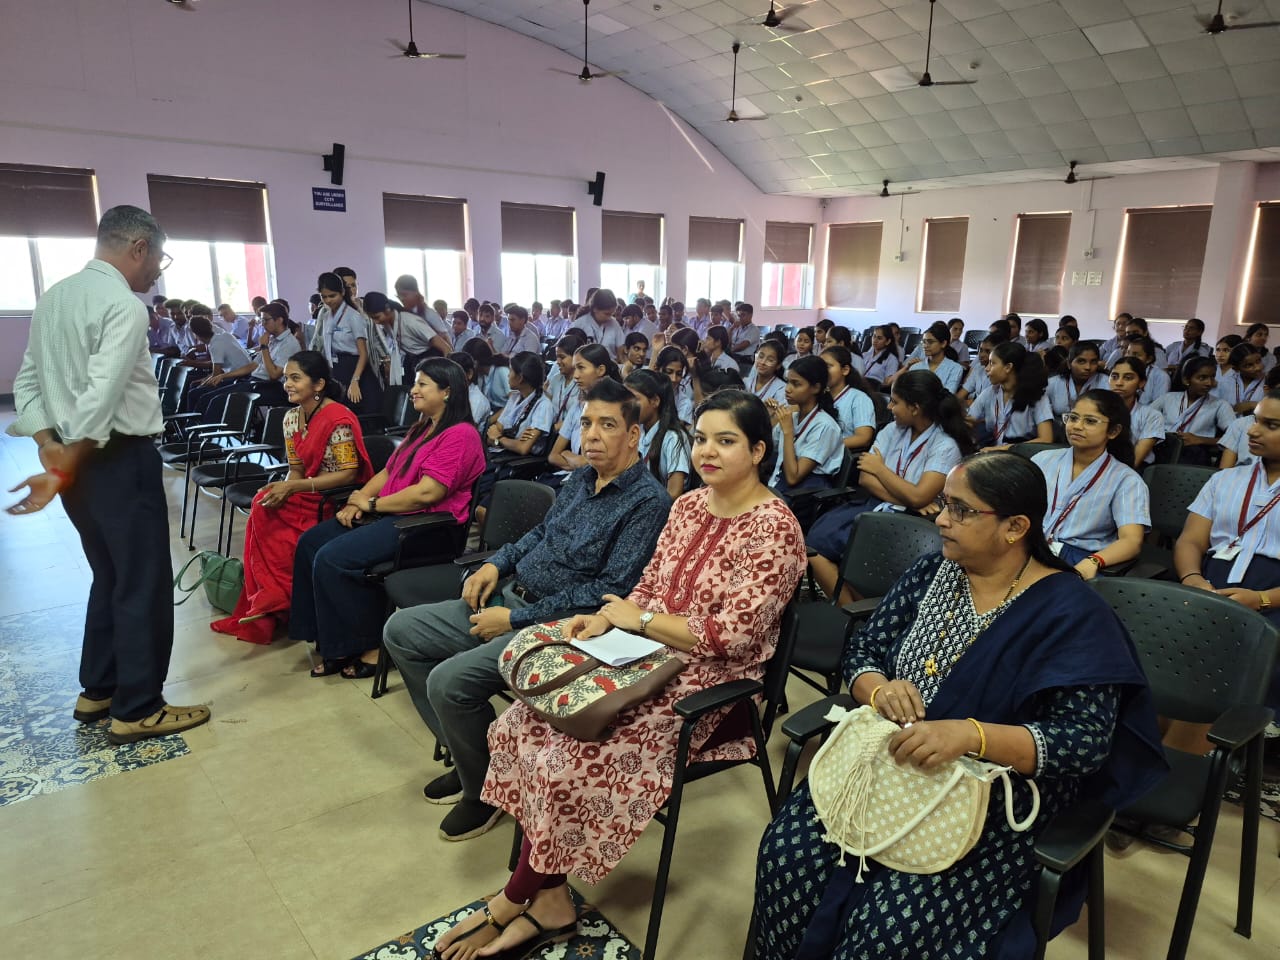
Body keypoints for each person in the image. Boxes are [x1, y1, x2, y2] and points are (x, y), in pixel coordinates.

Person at [431, 390, 806, 959]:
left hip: (710, 688)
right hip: (641, 655)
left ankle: (514, 899)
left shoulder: (774, 529)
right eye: (701, 438)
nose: (707, 451)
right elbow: (648, 587)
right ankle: (552, 902)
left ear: (758, 450)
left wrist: (643, 620)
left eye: (725, 441)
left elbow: (736, 637)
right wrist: (604, 617)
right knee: (519, 726)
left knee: (565, 759)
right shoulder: (689, 507)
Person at [753, 452, 1165, 960]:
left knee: (889, 929)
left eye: (961, 510)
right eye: (945, 504)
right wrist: (879, 688)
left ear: (1015, 527)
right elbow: (863, 652)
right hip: (885, 765)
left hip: (986, 798)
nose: (941, 519)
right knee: (787, 856)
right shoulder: (933, 572)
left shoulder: (1072, 615)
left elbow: (1082, 742)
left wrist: (973, 735)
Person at [381, 378, 672, 842]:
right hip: (511, 596)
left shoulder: (648, 502)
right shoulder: (581, 477)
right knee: (402, 630)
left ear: (633, 435)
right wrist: (494, 565)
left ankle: (484, 792)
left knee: (449, 682)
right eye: (586, 423)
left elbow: (609, 590)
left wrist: (513, 621)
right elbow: (539, 536)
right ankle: (471, 755)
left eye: (607, 425)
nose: (591, 435)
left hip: (564, 628)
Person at [7, 205, 211, 743]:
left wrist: (51, 448)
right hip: (118, 458)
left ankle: (98, 689)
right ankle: (138, 706)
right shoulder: (122, 304)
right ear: (139, 248)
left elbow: (26, 385)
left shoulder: (55, 297)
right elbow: (101, 396)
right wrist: (62, 464)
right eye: (158, 257)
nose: (158, 271)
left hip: (77, 463)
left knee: (110, 573)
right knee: (141, 580)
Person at [290, 358, 485, 679]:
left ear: (447, 392)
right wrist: (358, 500)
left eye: (423, 384)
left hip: (428, 528)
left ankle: (371, 645)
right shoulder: (423, 426)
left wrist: (373, 505)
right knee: (311, 542)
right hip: (394, 514)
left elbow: (428, 494)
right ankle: (330, 641)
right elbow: (389, 471)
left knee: (334, 559)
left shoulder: (461, 435)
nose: (414, 390)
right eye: (415, 383)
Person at [211, 352, 372, 645]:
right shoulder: (291, 418)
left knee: (276, 517)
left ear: (318, 384)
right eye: (286, 377)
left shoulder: (338, 418)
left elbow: (349, 475)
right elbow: (296, 470)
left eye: (295, 378)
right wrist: (282, 490)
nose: (287, 384)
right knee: (263, 505)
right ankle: (269, 602)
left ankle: (280, 601)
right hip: (308, 491)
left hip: (335, 498)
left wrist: (294, 490)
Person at [807, 370, 972, 601]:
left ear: (915, 408)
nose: (888, 407)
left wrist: (881, 470)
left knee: (856, 558)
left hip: (911, 520)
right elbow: (866, 479)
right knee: (816, 543)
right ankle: (848, 610)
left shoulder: (945, 445)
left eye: (895, 402)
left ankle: (863, 612)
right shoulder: (892, 430)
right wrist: (908, 496)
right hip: (880, 504)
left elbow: (916, 496)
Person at [1176, 389, 1280, 641]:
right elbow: (1191, 540)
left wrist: (1262, 599)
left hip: (1274, 591)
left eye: (1271, 425)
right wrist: (1193, 579)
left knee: (1258, 661)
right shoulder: (1224, 479)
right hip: (1212, 580)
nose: (1252, 431)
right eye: (1255, 420)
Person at [1031, 390, 1149, 576]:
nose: (1077, 426)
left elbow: (1131, 541)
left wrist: (1095, 561)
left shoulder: (1126, 480)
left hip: (1081, 557)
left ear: (1113, 431)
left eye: (1090, 421)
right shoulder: (1042, 460)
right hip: (1032, 546)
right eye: (1073, 418)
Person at [765, 356, 843, 498]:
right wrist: (770, 417)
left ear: (816, 388)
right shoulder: (793, 416)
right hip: (777, 483)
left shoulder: (825, 426)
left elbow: (793, 477)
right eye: (788, 382)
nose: (787, 389)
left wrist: (788, 432)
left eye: (796, 384)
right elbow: (767, 449)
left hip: (801, 495)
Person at [312, 271, 381, 415]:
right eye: (324, 296)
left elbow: (363, 354)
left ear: (342, 292)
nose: (328, 300)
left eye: (332, 296)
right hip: (336, 367)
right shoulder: (325, 316)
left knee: (356, 413)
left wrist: (355, 381)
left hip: (355, 368)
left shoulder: (353, 316)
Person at [1150, 356, 1235, 465]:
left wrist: (1200, 439)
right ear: (1186, 380)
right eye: (1202, 378)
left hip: (1195, 455)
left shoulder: (1220, 405)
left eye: (1212, 377)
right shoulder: (1168, 398)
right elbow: (1144, 418)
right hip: (1162, 448)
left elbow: (1235, 435)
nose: (1209, 383)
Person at [968, 341, 1053, 448]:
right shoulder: (989, 392)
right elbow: (969, 419)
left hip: (1024, 457)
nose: (987, 368)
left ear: (1008, 367)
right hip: (996, 454)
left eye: (992, 363)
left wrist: (1006, 449)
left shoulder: (1036, 396)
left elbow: (1046, 439)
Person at [626, 368, 693, 498]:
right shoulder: (639, 431)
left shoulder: (673, 438)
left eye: (635, 399)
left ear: (655, 401)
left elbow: (674, 493)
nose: (628, 406)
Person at [485, 351, 553, 458]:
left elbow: (523, 448)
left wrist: (499, 438)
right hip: (503, 453)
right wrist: (502, 440)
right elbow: (491, 436)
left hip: (520, 462)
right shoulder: (514, 398)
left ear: (520, 378)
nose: (508, 375)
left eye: (511, 371)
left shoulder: (543, 406)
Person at [184, 314, 254, 415]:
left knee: (194, 392)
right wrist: (204, 380)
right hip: (242, 374)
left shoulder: (215, 344)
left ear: (196, 334)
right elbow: (217, 369)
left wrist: (202, 384)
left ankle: (193, 423)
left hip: (238, 378)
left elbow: (216, 374)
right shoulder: (224, 335)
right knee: (195, 384)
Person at [1108, 356, 1166, 466]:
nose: (1119, 383)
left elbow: (1135, 461)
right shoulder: (1098, 410)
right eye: (1114, 376)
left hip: (1133, 470)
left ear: (1141, 383)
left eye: (1128, 378)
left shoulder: (1152, 416)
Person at [820, 346, 876, 453]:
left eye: (828, 366)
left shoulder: (859, 398)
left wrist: (826, 445)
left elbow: (864, 438)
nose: (822, 371)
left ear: (845, 370)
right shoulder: (818, 395)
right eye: (820, 367)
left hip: (838, 456)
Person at [890, 321, 964, 393]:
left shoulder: (955, 368)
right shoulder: (915, 367)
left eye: (930, 342)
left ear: (943, 344)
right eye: (924, 342)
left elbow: (948, 395)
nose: (925, 346)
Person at [1046, 342, 1106, 417]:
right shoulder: (1053, 383)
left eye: (1093, 362)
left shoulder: (1106, 382)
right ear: (1069, 364)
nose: (1088, 367)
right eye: (1081, 361)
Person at [571, 288, 625, 360]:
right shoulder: (579, 324)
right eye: (606, 314)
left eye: (612, 314)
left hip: (610, 367)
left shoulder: (614, 324)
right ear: (595, 309)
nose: (610, 318)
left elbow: (620, 352)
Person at [1214, 341, 1266, 415]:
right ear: (1236, 369)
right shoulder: (1225, 383)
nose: (1257, 368)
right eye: (1249, 365)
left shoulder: (1269, 382)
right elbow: (1214, 409)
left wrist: (1253, 405)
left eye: (1258, 361)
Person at [448, 351, 490, 428]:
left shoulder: (477, 401)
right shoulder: (451, 391)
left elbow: (464, 430)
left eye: (453, 374)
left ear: (469, 374)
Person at [1125, 336, 1170, 406]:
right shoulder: (1121, 371)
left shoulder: (1161, 377)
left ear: (1149, 359)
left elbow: (1158, 406)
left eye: (1136, 355)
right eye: (1128, 353)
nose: (1130, 357)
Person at [745, 339, 787, 405]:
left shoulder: (781, 389)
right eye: (760, 357)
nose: (763, 362)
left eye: (770, 360)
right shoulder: (745, 381)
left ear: (778, 365)